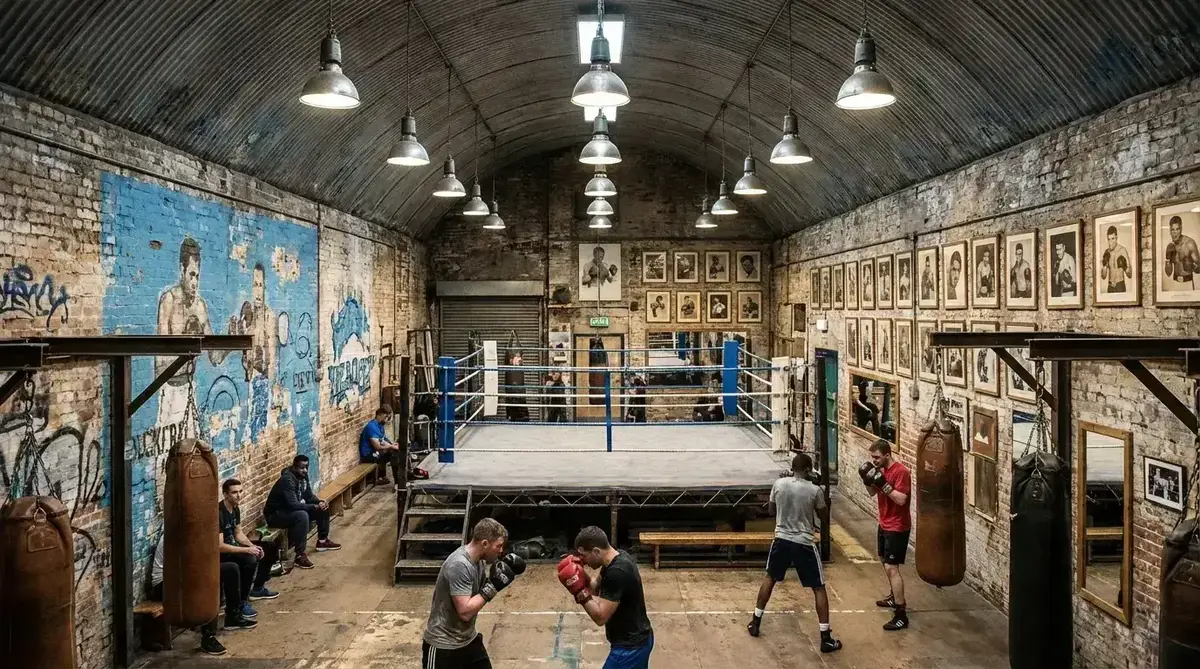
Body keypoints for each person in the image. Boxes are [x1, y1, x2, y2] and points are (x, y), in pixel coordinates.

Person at [747, 453, 841, 652]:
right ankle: (825, 637)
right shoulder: (814, 490)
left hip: (781, 539)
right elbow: (824, 518)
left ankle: (755, 622)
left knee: (770, 578)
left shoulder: (779, 484)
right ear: (808, 470)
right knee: (818, 587)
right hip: (804, 542)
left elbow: (772, 511)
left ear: (792, 468)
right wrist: (824, 499)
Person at [421, 518, 524, 668]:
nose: (501, 550)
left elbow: (478, 594)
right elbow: (465, 612)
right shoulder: (460, 565)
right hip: (443, 646)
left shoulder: (479, 562)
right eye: (498, 546)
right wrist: (493, 586)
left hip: (467, 640)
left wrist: (497, 576)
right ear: (484, 543)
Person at [558, 526, 654, 669]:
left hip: (630, 648)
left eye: (584, 556)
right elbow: (594, 587)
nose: (583, 561)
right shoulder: (616, 557)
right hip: (637, 640)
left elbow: (600, 617)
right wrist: (579, 574)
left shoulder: (617, 572)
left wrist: (578, 591)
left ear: (596, 551)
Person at [146, 536, 250, 657]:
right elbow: (186, 567)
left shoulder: (195, 532)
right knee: (207, 581)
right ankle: (208, 636)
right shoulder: (176, 534)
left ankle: (233, 615)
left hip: (182, 576)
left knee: (230, 569)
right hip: (164, 583)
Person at [859, 439, 912, 631]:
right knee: (884, 561)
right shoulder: (879, 470)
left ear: (887, 455)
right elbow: (873, 493)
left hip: (897, 526)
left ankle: (901, 614)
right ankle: (893, 596)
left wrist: (883, 483)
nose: (874, 461)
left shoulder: (901, 472)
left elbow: (901, 499)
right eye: (872, 457)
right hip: (884, 523)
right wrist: (867, 480)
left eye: (877, 457)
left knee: (892, 568)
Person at [219, 478, 280, 622]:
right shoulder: (219, 513)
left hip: (233, 547)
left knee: (269, 547)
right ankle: (241, 602)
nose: (239, 495)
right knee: (249, 560)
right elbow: (219, 546)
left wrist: (251, 546)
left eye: (240, 491)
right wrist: (246, 551)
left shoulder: (235, 508)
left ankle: (257, 588)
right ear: (225, 494)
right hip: (222, 554)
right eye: (234, 492)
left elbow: (238, 533)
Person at [264, 454, 340, 570]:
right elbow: (293, 505)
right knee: (302, 515)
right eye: (301, 467)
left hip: (289, 511)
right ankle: (299, 556)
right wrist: (314, 507)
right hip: (276, 514)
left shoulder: (303, 476)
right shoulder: (287, 480)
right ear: (294, 467)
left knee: (323, 507)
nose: (304, 470)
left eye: (306, 467)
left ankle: (322, 541)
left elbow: (308, 495)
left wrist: (319, 502)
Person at [360, 405, 402, 485]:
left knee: (395, 452)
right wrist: (390, 446)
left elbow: (382, 440)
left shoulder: (380, 426)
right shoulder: (371, 426)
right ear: (379, 415)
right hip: (368, 455)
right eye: (385, 416)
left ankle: (393, 478)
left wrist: (392, 444)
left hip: (375, 451)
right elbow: (378, 446)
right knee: (392, 454)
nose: (387, 419)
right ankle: (391, 479)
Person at [1165, 215, 1200, 287]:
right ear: (1170, 231)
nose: (1175, 232)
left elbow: (1199, 268)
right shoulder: (1170, 246)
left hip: (1188, 283)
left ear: (1181, 229)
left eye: (1177, 229)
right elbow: (1168, 273)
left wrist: (1192, 266)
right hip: (1174, 284)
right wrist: (1168, 260)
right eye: (1172, 229)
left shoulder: (1190, 244)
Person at [1099, 225, 1132, 294]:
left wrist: (1124, 266)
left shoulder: (1122, 250)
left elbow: (1130, 275)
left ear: (1116, 238)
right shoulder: (1106, 252)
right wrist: (1105, 265)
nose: (1111, 241)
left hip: (1120, 285)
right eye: (1109, 239)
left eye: (1113, 238)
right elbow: (1103, 276)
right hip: (1110, 286)